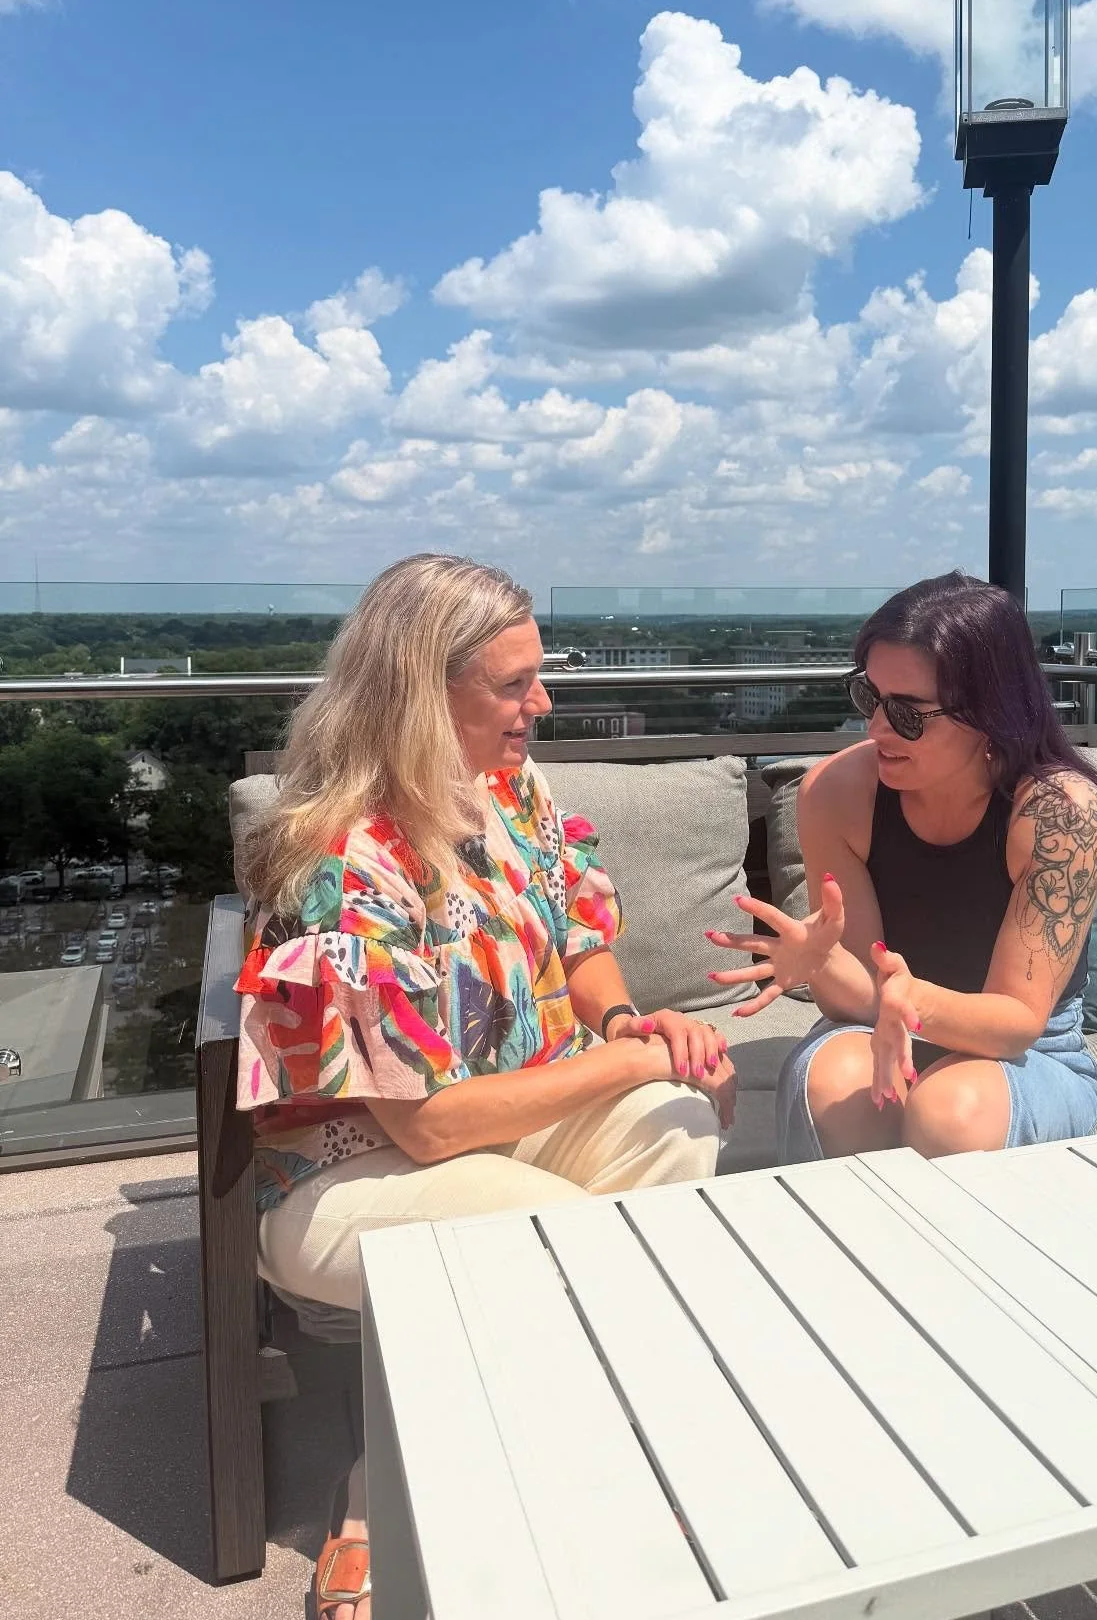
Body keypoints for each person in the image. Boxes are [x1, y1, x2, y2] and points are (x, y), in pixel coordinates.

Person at [235, 553, 733, 1620]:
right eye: (514, 685)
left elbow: (584, 938)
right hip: (345, 1168)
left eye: (536, 677)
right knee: (550, 1241)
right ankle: (392, 1489)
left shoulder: (513, 791)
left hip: (519, 1109)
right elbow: (426, 1130)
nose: (541, 704)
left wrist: (627, 1026)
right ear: (425, 689)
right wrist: (621, 1060)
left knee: (675, 1125)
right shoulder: (344, 855)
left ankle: (556, 1457)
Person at [707, 572, 1097, 1163]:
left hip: (1021, 1053)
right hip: (882, 1025)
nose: (876, 729)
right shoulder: (835, 793)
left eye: (909, 712)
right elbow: (864, 999)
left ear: (988, 712)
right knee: (833, 1086)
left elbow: (1017, 1020)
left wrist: (910, 1000)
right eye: (869, 698)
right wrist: (819, 965)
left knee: (951, 1114)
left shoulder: (1060, 814)